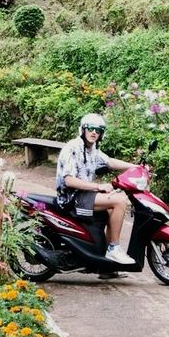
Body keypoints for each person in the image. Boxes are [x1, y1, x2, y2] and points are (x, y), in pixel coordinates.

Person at [56, 112, 137, 267]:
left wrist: (135, 167)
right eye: (91, 128)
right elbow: (69, 180)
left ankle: (106, 266)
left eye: (98, 130)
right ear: (83, 129)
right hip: (71, 197)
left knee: (113, 207)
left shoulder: (92, 149)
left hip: (84, 194)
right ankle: (114, 249)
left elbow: (109, 162)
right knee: (119, 200)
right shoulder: (73, 147)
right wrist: (98, 186)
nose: (94, 132)